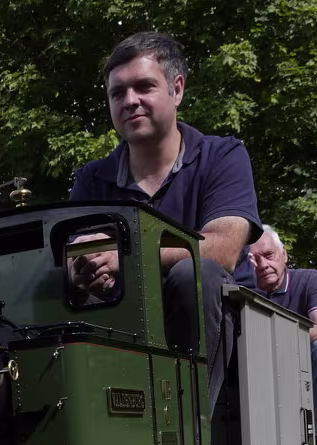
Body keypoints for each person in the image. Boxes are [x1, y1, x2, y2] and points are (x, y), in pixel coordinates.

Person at [68, 31, 262, 411]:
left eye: (144, 86)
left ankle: (188, 427)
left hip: (225, 334)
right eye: (117, 93)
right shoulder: (92, 179)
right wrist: (81, 267)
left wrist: (124, 258)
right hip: (126, 325)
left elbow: (222, 248)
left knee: (196, 274)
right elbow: (78, 254)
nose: (130, 100)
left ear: (177, 90)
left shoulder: (223, 156)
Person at [248, 227, 317, 445]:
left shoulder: (311, 280)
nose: (263, 265)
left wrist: (278, 340)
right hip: (255, 368)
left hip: (301, 366)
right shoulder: (241, 290)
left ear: (284, 254)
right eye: (253, 259)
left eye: (268, 255)